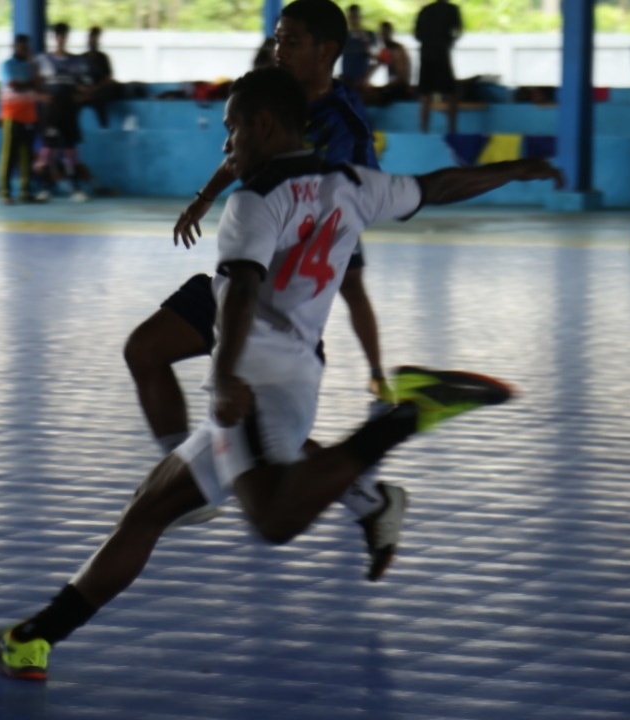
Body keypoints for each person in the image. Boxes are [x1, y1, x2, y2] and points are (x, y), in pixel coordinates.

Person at [0, 66, 562, 682]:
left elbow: (239, 293)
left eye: (231, 131)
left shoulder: (253, 202)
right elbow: (434, 187)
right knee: (148, 510)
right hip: (291, 367)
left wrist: (228, 378)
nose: (227, 147)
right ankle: (33, 639)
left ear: (262, 123)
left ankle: (409, 415)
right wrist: (515, 171)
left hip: (256, 382)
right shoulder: (350, 180)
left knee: (274, 519)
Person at [144, 0, 399, 582]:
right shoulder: (269, 97)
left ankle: (362, 491)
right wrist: (206, 198)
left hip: (276, 291)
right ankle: (194, 475)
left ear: (327, 51)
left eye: (291, 40)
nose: (279, 48)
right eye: (278, 38)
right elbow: (240, 155)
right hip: (241, 273)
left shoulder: (344, 129)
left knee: (264, 428)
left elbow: (341, 214)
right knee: (149, 353)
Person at [35, 22, 92, 203]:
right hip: (51, 111)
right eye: (58, 35)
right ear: (53, 37)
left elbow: (86, 86)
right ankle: (45, 188)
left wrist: (83, 95)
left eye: (64, 35)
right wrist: (40, 96)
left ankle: (75, 188)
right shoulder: (42, 60)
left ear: (67, 37)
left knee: (70, 150)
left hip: (69, 110)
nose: (61, 38)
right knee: (47, 150)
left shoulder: (77, 61)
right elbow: (34, 83)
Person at [0, 34, 42, 205]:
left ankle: (25, 191)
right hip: (11, 115)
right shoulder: (7, 65)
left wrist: (32, 64)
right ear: (14, 46)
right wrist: (29, 84)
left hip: (29, 117)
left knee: (26, 157)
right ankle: (5, 192)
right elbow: (15, 85)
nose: (23, 49)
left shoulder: (30, 66)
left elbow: (37, 84)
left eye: (26, 47)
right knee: (9, 155)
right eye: (20, 46)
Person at [414, 0, 462, 134]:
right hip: (441, 54)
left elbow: (417, 35)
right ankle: (452, 129)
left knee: (425, 94)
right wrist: (448, 42)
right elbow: (458, 31)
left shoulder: (425, 10)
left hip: (426, 55)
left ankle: (423, 130)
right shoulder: (452, 9)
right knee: (452, 93)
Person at [367, 21, 413, 106]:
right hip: (393, 87)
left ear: (390, 33)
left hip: (400, 89)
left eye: (385, 33)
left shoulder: (397, 50)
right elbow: (375, 66)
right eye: (381, 34)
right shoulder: (386, 51)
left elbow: (401, 78)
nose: (383, 36)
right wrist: (364, 82)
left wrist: (383, 87)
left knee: (373, 97)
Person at [82, 26, 119, 129]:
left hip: (100, 91)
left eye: (95, 37)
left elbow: (108, 77)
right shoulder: (82, 58)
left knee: (100, 97)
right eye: (91, 37)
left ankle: (104, 126)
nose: (93, 40)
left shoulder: (103, 58)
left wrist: (95, 88)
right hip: (86, 90)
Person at [340, 5, 376, 90]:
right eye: (351, 16)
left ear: (360, 17)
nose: (353, 19)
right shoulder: (344, 36)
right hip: (347, 77)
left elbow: (375, 56)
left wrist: (365, 40)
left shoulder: (369, 35)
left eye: (355, 16)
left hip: (362, 78)